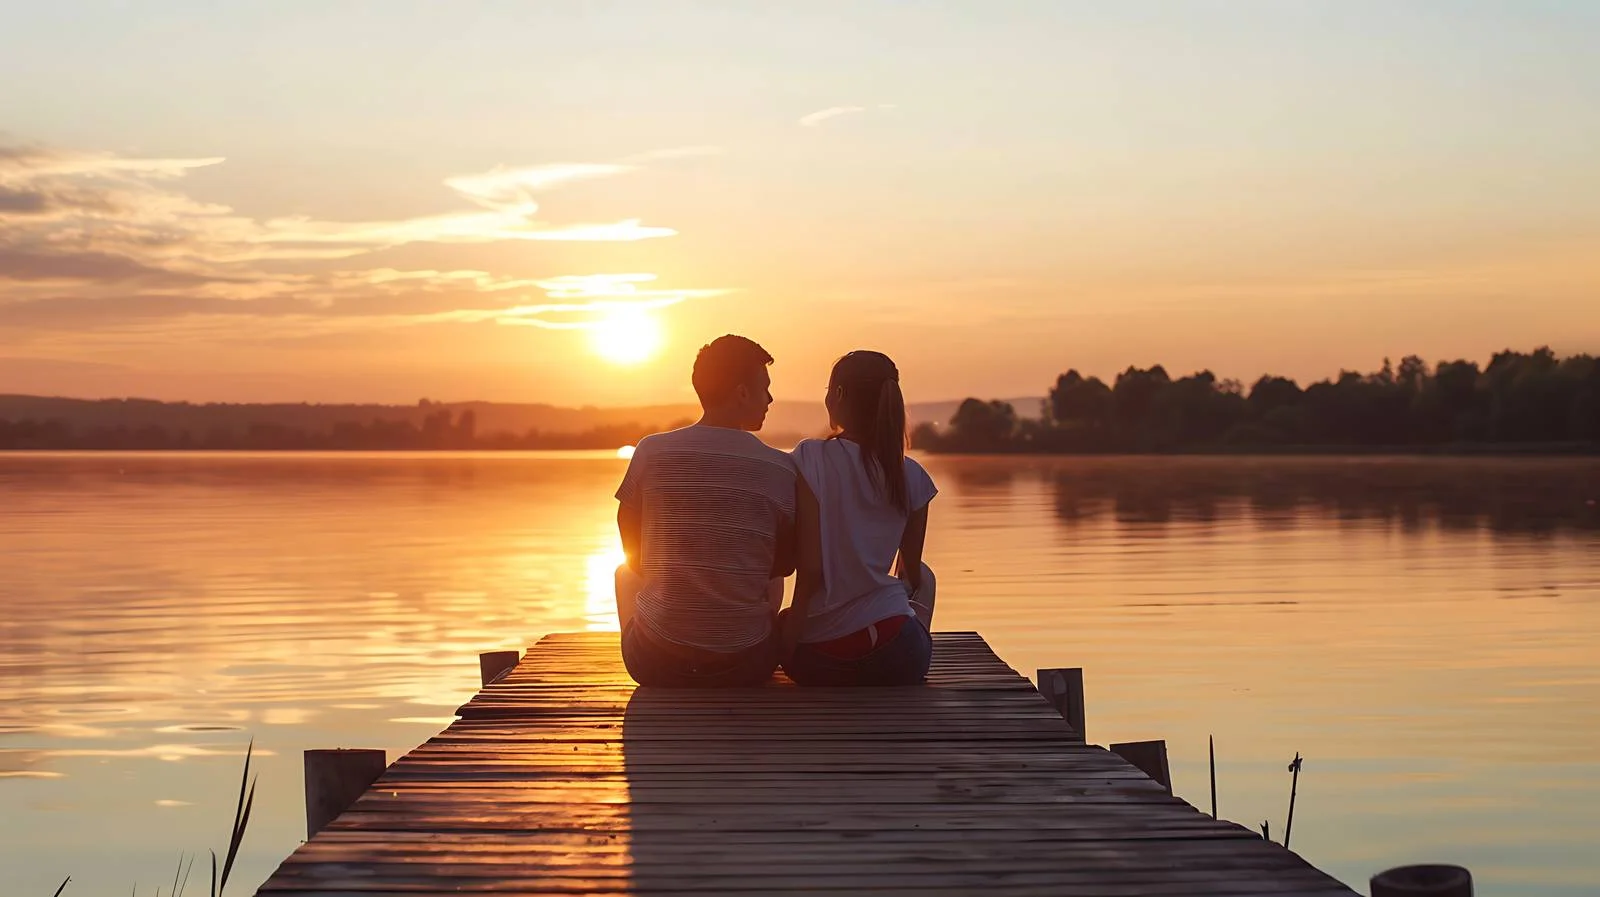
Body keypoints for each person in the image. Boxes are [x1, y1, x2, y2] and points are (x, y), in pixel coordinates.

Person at [613, 335, 797, 687]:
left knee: (624, 572)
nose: (770, 399)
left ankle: (665, 632)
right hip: (747, 667)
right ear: (741, 393)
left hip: (655, 665)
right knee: (772, 577)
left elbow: (631, 546)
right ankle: (735, 636)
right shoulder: (780, 467)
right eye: (765, 388)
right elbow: (784, 563)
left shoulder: (651, 451)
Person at [780, 350, 938, 686]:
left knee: (782, 619)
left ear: (838, 394)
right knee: (925, 575)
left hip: (819, 658)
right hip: (898, 651)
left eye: (828, 389)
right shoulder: (912, 475)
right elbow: (911, 573)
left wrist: (789, 643)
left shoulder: (809, 458)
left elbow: (809, 571)